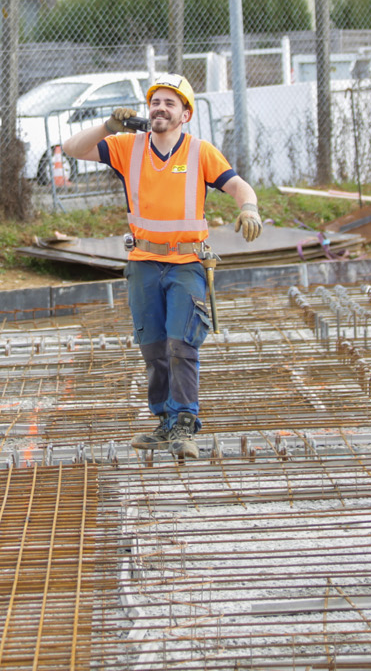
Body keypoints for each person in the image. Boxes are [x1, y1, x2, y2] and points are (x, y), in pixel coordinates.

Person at [62, 72, 261, 458]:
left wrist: (249, 207)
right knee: (153, 348)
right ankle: (164, 422)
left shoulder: (200, 152)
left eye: (170, 103)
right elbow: (72, 148)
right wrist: (107, 126)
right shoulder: (127, 146)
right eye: (156, 102)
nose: (160, 108)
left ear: (185, 114)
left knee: (181, 343)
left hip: (186, 262)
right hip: (144, 264)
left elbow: (238, 185)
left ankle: (185, 422)